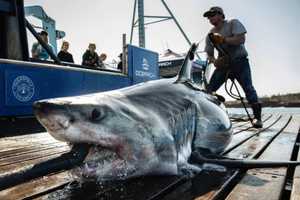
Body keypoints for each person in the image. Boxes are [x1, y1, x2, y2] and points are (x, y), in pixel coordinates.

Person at [203, 6, 263, 128]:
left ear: (221, 15)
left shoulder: (232, 23)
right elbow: (209, 54)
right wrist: (215, 61)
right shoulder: (209, 34)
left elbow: (241, 39)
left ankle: (257, 118)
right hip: (223, 66)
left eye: (212, 15)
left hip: (240, 62)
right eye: (208, 16)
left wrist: (223, 39)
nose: (210, 18)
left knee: (248, 88)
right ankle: (207, 118)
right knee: (208, 91)